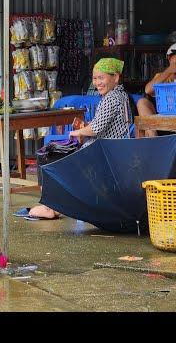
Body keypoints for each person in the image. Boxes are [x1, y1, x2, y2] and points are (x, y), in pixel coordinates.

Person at [29, 58, 133, 218]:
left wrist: (77, 132)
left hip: (101, 154)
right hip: (109, 151)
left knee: (46, 155)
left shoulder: (112, 98)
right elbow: (100, 125)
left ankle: (49, 207)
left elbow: (96, 128)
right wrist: (84, 126)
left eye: (101, 77)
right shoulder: (121, 96)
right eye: (95, 78)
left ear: (116, 78)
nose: (97, 82)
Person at [136, 43, 176, 137]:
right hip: (163, 118)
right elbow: (148, 90)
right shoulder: (163, 76)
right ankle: (153, 140)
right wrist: (170, 70)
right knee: (142, 102)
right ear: (170, 59)